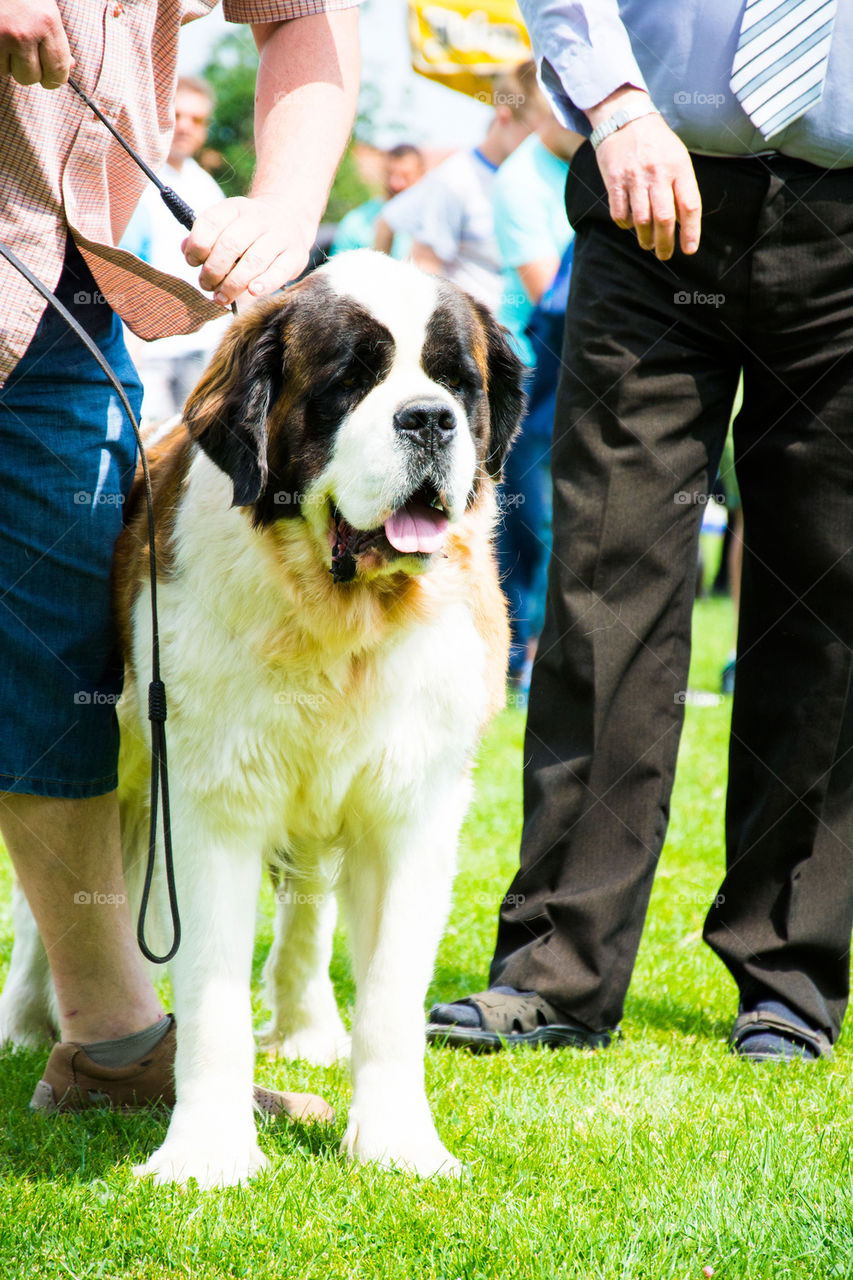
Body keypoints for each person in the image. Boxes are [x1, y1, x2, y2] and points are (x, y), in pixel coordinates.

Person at [428, 0, 853, 1063]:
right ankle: (557, 966)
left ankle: (790, 971)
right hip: (646, 187)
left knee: (832, 591)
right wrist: (614, 105)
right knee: (604, 579)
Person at [0, 0, 360, 1113]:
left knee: (61, 648)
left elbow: (305, 21)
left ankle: (113, 1043)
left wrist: (284, 209)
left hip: (61, 280)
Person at [491, 103, 583, 695]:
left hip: (577, 368)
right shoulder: (521, 178)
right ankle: (522, 665)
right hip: (529, 375)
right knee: (531, 522)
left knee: (557, 520)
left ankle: (541, 662)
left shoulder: (585, 166)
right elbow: (552, 293)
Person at [373, 60, 540, 312]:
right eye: (534, 134)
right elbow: (388, 224)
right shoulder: (454, 179)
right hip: (480, 339)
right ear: (505, 116)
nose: (541, 143)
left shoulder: (531, 174)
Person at [122, 76, 230, 422]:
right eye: (178, 114)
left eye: (196, 120)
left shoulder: (207, 185)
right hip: (145, 350)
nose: (185, 126)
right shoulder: (133, 173)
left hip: (201, 348)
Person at [330, 142, 425, 258]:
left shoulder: (435, 223)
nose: (395, 184)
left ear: (421, 176)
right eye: (390, 175)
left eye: (406, 177)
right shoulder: (356, 221)